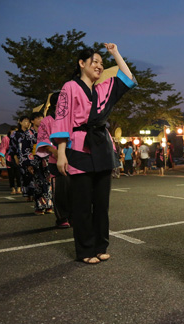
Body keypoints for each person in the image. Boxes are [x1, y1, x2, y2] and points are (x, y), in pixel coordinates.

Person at [51, 43, 136, 264]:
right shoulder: (70, 87)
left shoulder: (104, 88)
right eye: (94, 61)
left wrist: (115, 53)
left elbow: (129, 79)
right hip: (78, 147)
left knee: (101, 204)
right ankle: (85, 250)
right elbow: (62, 119)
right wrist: (62, 153)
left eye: (101, 63)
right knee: (81, 205)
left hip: (102, 147)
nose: (99, 66)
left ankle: (101, 246)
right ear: (82, 63)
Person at [36, 92, 71, 228]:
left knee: (75, 189)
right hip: (56, 161)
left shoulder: (72, 117)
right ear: (57, 103)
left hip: (75, 159)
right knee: (60, 190)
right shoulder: (47, 121)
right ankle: (62, 218)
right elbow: (44, 142)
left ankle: (74, 215)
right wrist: (57, 153)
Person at [0, 126, 22, 194]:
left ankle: (19, 188)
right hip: (9, 158)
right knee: (11, 174)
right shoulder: (6, 138)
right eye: (13, 131)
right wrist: (2, 159)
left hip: (18, 158)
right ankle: (13, 188)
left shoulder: (19, 138)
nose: (14, 132)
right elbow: (3, 148)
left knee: (18, 174)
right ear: (10, 131)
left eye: (16, 131)